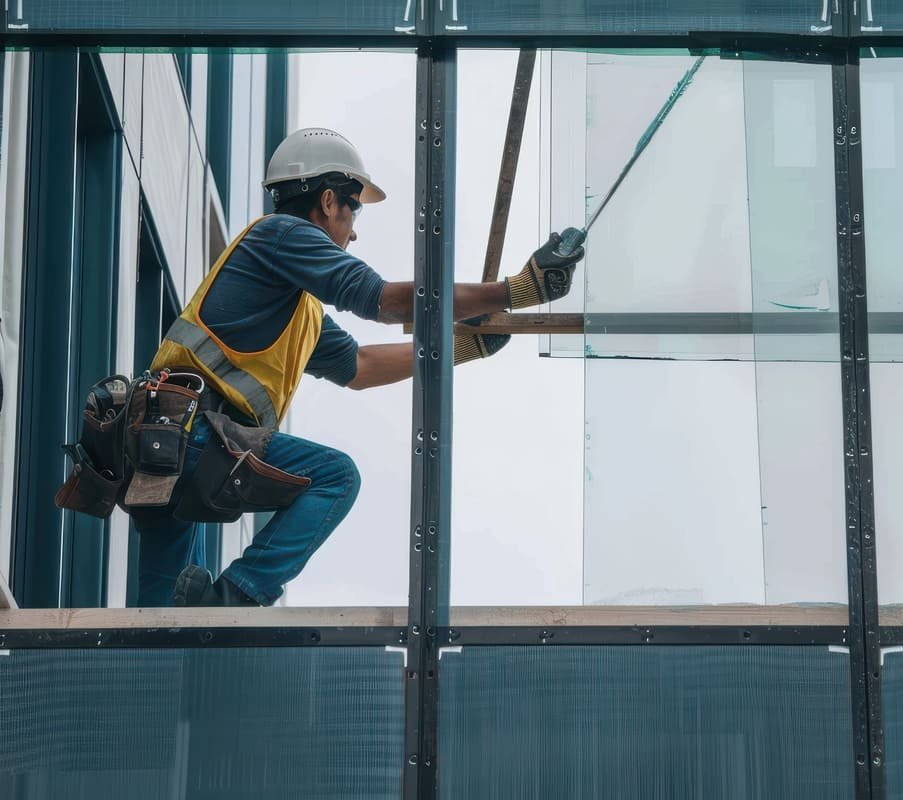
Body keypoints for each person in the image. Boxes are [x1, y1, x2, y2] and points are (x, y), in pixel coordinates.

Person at [132, 127, 583, 607]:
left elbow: (360, 366)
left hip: (166, 443)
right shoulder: (283, 235)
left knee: (165, 624)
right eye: (355, 210)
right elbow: (387, 302)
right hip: (194, 436)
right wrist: (517, 291)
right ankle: (234, 602)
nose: (354, 231)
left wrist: (462, 348)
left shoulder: (294, 305)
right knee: (334, 477)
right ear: (328, 201)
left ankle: (192, 627)